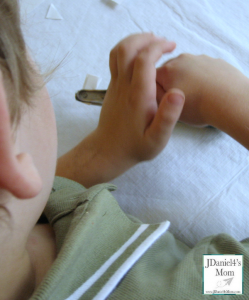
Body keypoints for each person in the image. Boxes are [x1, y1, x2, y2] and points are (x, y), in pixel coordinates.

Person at [0, 0, 249, 299]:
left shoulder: (18, 241)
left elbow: (24, 208)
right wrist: (232, 99)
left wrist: (102, 153)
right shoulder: (196, 287)